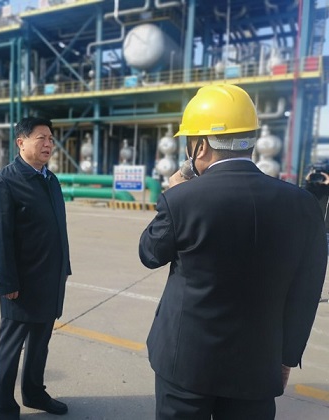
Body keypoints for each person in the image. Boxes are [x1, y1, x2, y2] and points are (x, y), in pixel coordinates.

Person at [138, 84, 327, 420]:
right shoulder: (303, 205)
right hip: (257, 367)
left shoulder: (183, 199)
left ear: (199, 145)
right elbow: (307, 291)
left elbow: (150, 254)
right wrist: (286, 357)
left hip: (186, 362)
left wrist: (174, 193)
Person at [0, 116, 72, 420]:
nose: (48, 144)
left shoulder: (50, 179)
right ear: (21, 142)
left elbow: (57, 229)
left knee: (40, 343)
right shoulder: (4, 182)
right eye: (41, 138)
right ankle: (3, 406)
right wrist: (6, 282)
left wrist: (64, 267)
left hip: (50, 278)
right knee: (11, 347)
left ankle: (34, 392)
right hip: (21, 283)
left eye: (51, 139)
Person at [304, 162, 329, 251]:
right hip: (313, 231)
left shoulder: (326, 190)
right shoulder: (314, 189)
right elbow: (305, 197)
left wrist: (327, 185)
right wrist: (308, 182)